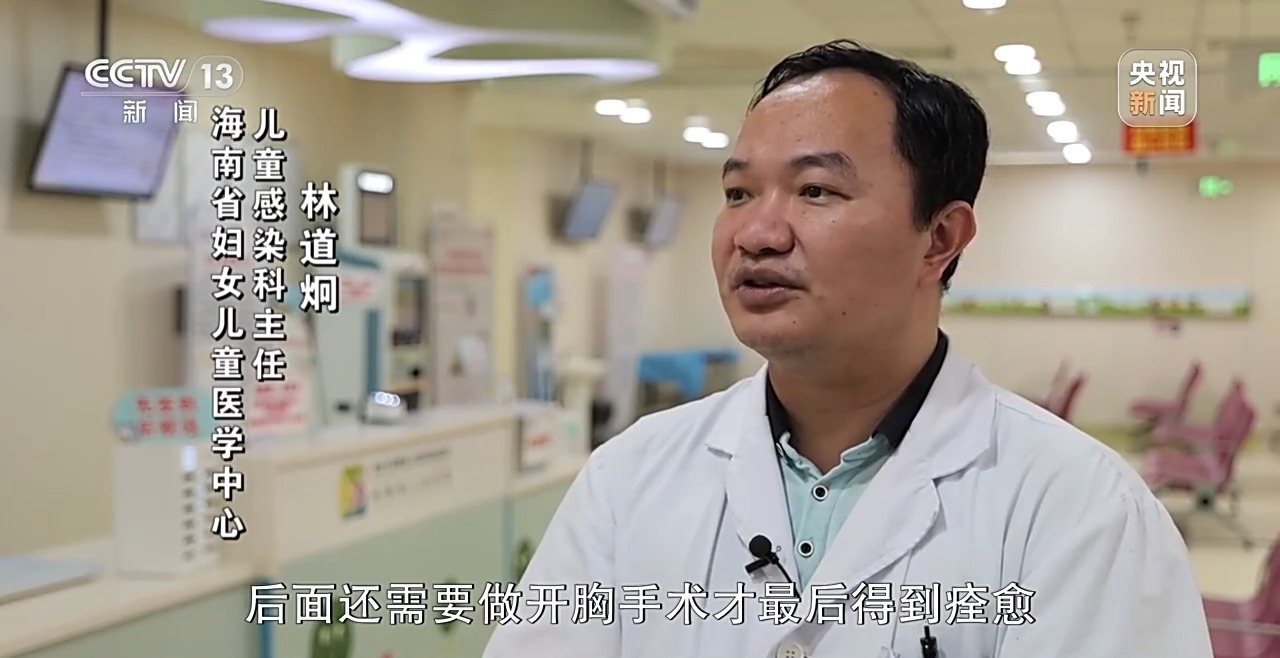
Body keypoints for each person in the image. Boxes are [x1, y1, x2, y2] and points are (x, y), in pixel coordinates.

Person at [483, 40, 1211, 658]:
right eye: (738, 194)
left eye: (816, 191)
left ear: (940, 238)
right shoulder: (628, 480)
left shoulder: (1081, 510)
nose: (757, 233)